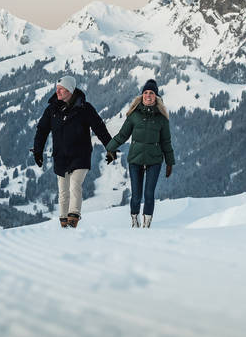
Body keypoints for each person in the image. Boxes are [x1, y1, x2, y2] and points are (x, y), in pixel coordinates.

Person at [33, 75, 112, 228]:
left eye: (61, 89)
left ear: (70, 90)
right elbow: (42, 130)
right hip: (61, 157)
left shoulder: (85, 108)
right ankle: (64, 223)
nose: (58, 92)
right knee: (63, 193)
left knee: (75, 185)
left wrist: (111, 148)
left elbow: (99, 128)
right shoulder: (52, 109)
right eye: (57, 89)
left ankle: (73, 219)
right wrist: (38, 151)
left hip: (80, 155)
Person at [105, 79, 174, 228]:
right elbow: (122, 135)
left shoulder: (162, 119)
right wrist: (110, 148)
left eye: (151, 93)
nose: (148, 95)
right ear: (142, 95)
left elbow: (166, 143)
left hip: (154, 161)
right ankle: (134, 219)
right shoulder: (134, 116)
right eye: (146, 93)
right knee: (136, 195)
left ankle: (146, 224)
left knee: (149, 194)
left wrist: (170, 162)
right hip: (135, 159)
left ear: (156, 96)